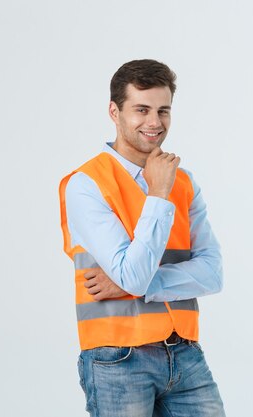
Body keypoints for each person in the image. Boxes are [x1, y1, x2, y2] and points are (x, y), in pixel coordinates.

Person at [59, 59, 226, 417]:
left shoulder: (184, 181)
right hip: (117, 358)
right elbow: (134, 275)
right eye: (142, 109)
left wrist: (133, 285)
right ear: (114, 112)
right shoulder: (86, 185)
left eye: (163, 110)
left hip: (183, 352)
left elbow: (213, 274)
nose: (155, 122)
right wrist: (158, 194)